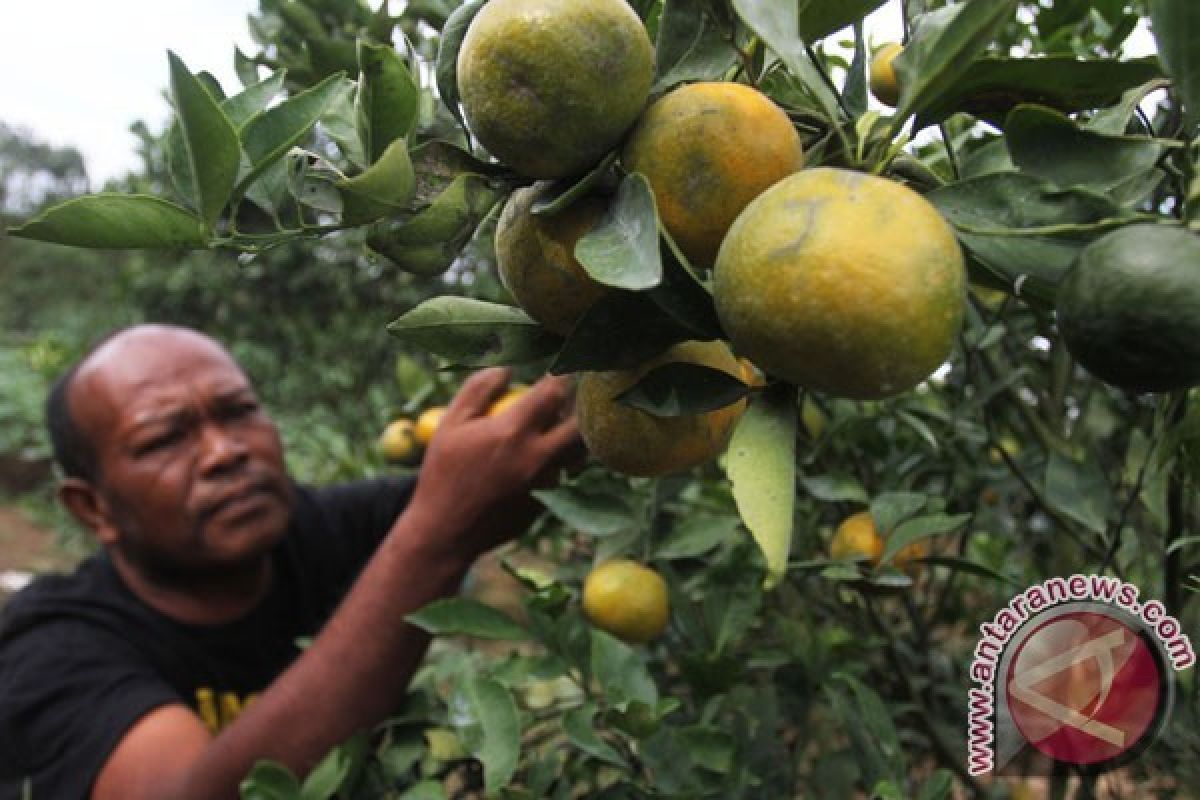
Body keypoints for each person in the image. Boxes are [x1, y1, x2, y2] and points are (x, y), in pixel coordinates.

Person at [0, 324, 581, 799]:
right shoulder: (50, 645)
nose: (225, 451)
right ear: (92, 507)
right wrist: (436, 539)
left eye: (238, 411)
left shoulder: (328, 530)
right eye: (163, 440)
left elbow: (502, 479)